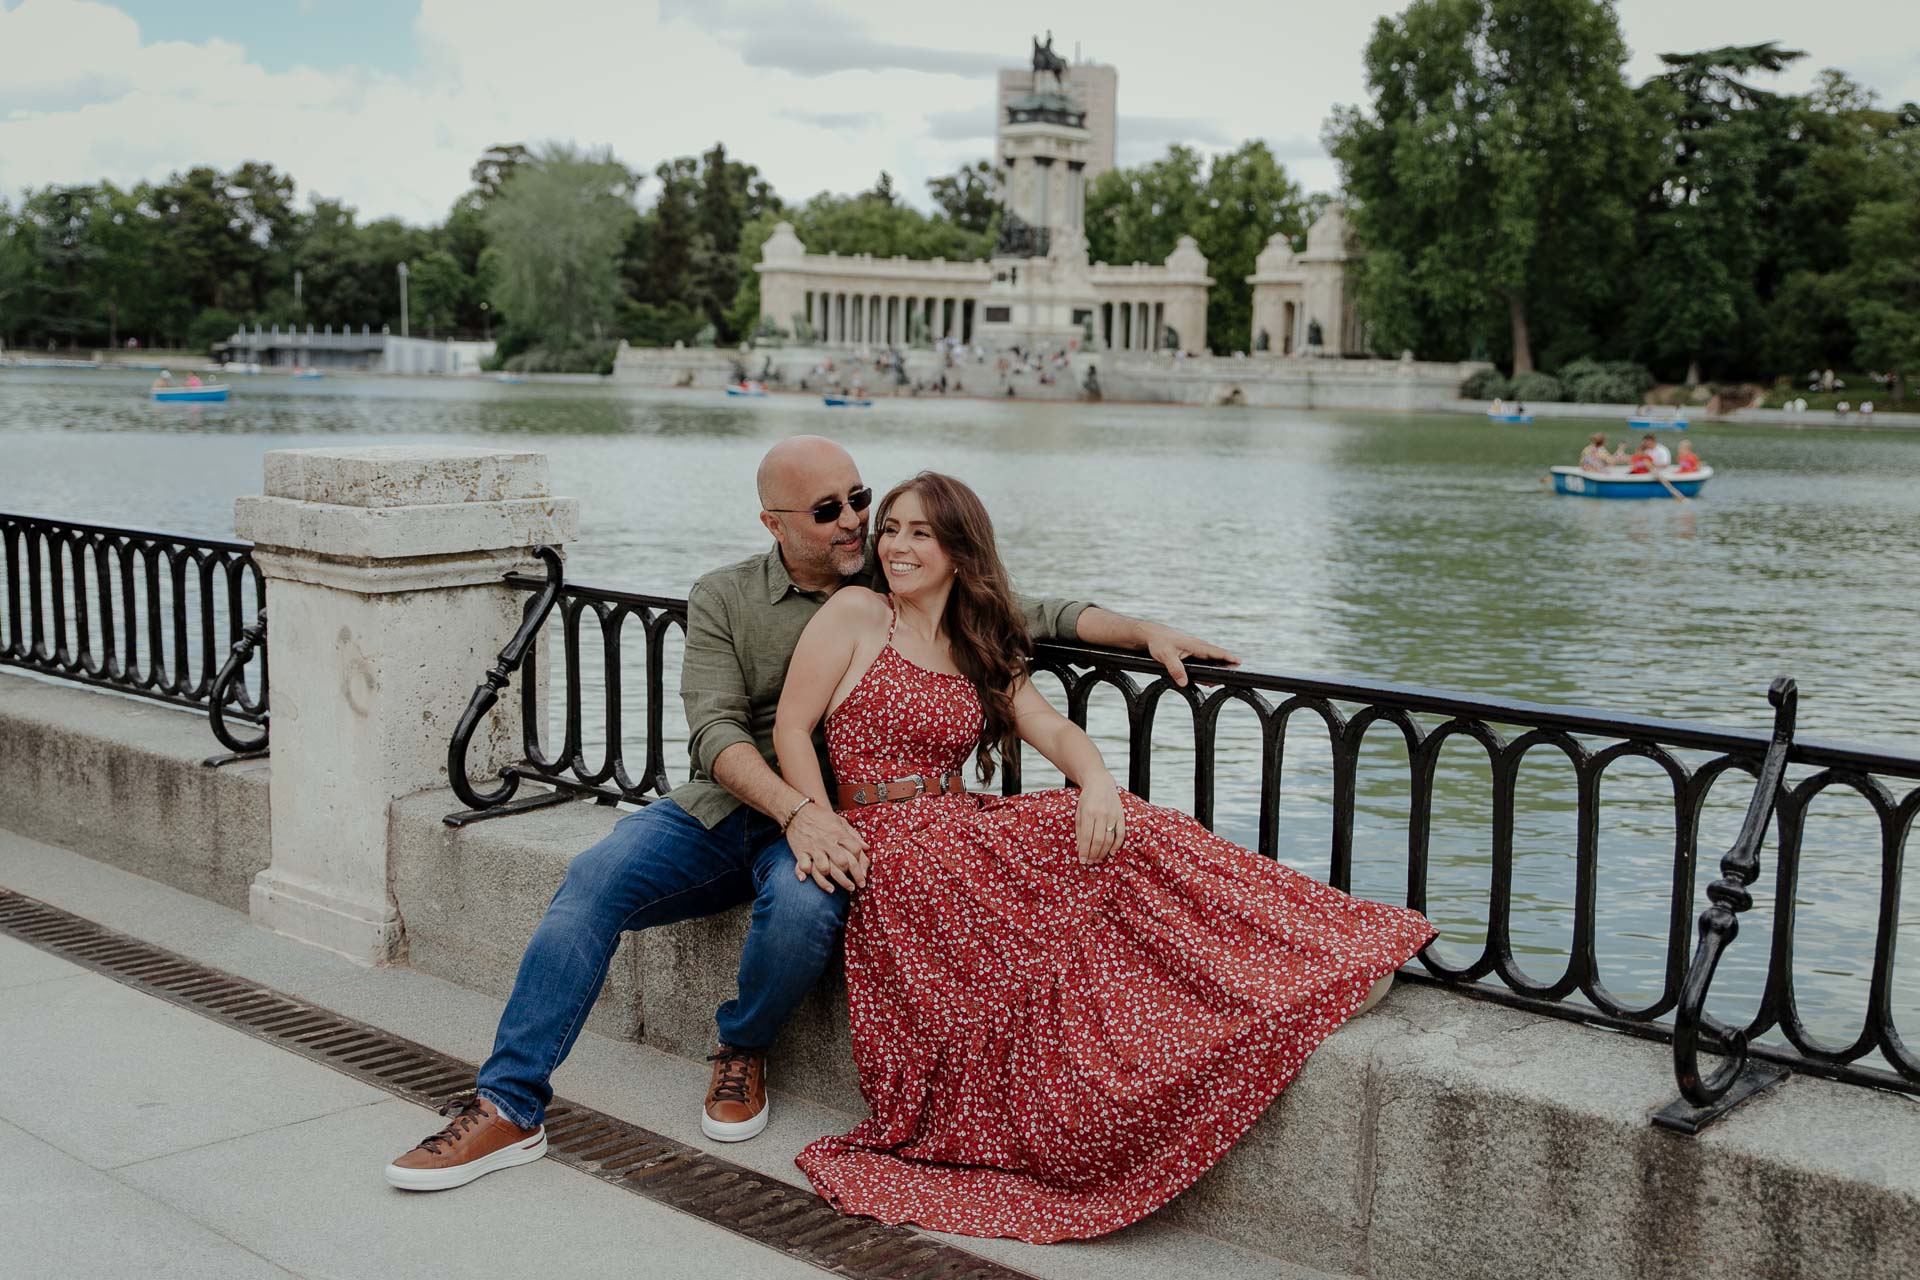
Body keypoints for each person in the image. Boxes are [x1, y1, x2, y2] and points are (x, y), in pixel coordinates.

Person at [383, 438, 1240, 1192]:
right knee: (592, 880)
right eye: (831, 510)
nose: (856, 523)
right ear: (775, 522)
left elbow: (1027, 613)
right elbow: (716, 732)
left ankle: (743, 1046)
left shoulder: (890, 574)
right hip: (735, 810)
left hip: (855, 828)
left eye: (862, 500)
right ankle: (508, 1105)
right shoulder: (724, 595)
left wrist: (1141, 629)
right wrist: (799, 812)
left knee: (799, 915)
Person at [773, 472, 1436, 1242]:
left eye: (920, 532)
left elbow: (1049, 729)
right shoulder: (857, 613)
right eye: (891, 528)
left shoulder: (978, 638)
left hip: (961, 825)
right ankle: (1294, 971)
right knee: (1095, 865)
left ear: (959, 548)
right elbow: (793, 727)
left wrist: (1095, 782)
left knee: (1126, 835)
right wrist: (815, 823)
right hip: (886, 847)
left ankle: (1307, 959)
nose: (896, 545)